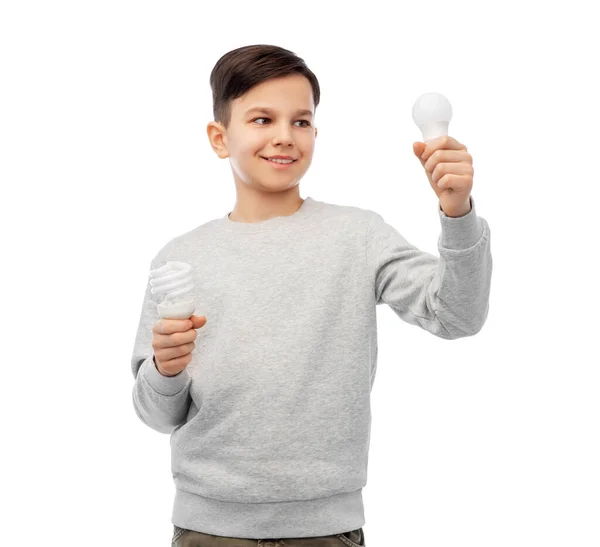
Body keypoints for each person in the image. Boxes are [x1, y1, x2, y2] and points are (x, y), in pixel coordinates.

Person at [130, 44, 493, 546]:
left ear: (316, 134)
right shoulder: (181, 256)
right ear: (219, 137)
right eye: (262, 119)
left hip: (326, 531)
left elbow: (457, 314)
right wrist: (165, 371)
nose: (284, 136)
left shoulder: (358, 236)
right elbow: (156, 414)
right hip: (208, 531)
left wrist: (458, 212)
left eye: (301, 122)